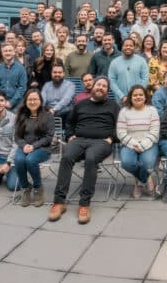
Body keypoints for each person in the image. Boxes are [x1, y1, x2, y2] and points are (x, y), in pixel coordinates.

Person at [49, 76, 118, 224]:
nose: (100, 88)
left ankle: (84, 204)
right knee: (66, 156)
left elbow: (119, 126)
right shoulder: (81, 104)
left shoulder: (113, 106)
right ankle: (59, 202)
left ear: (107, 90)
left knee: (91, 158)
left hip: (102, 141)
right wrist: (70, 136)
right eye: (98, 84)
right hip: (79, 139)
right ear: (92, 87)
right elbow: (69, 122)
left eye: (104, 86)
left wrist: (112, 138)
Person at [117, 85, 161, 199]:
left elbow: (155, 131)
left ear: (145, 97)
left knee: (147, 162)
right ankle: (147, 178)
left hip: (149, 143)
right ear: (130, 97)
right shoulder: (124, 111)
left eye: (140, 94)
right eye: (135, 95)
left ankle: (138, 184)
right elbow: (121, 132)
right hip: (129, 143)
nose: (138, 97)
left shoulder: (152, 110)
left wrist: (142, 145)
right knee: (126, 162)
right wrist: (134, 144)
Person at [14, 88, 54, 206]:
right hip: (25, 147)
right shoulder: (21, 115)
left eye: (35, 99)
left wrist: (33, 146)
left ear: (40, 101)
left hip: (42, 148)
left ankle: (38, 188)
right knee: (19, 160)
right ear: (26, 101)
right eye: (30, 99)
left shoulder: (47, 116)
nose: (32, 102)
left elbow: (48, 137)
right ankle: (25, 188)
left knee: (30, 160)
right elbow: (17, 136)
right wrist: (24, 145)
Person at [0, 43, 28, 109]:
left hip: (17, 102)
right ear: (2, 53)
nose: (8, 53)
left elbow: (22, 87)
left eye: (10, 51)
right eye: (5, 51)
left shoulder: (21, 68)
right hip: (0, 102)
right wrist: (1, 101)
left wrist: (12, 102)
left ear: (14, 52)